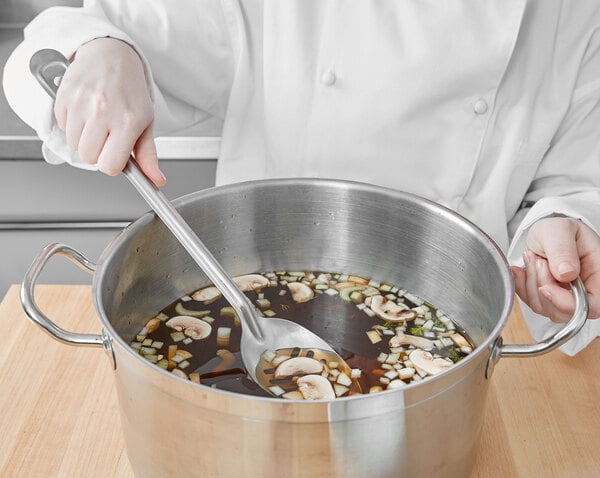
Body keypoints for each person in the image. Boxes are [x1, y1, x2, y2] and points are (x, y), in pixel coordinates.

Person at [3, 0, 600, 353]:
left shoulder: (575, 15)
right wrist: (105, 51)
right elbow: (106, 34)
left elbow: (572, 180)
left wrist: (562, 226)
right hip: (244, 299)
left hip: (465, 333)